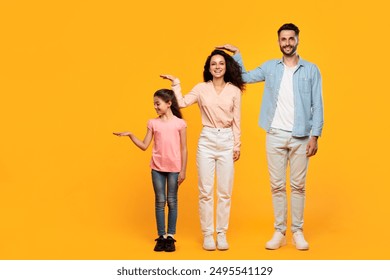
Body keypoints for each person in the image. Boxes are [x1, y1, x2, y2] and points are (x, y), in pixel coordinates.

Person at [217, 23, 324, 250]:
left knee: (298, 186)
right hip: (274, 134)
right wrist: (237, 54)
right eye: (283, 39)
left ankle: (297, 232)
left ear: (297, 40)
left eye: (291, 39)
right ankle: (279, 232)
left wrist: (315, 135)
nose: (287, 43)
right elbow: (244, 77)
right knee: (276, 186)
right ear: (278, 42)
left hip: (301, 136)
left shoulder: (311, 70)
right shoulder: (270, 68)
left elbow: (318, 104)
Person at [160, 49, 244, 251]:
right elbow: (181, 103)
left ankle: (221, 234)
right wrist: (176, 83)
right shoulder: (201, 88)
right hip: (206, 140)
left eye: (221, 63)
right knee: (205, 191)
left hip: (226, 139)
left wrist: (237, 144)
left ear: (226, 67)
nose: (217, 67)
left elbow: (237, 120)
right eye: (213, 64)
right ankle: (208, 234)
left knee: (225, 192)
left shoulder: (234, 91)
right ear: (208, 67)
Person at [113, 89, 187, 252]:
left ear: (168, 104)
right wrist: (131, 135)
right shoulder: (153, 123)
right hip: (157, 168)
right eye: (154, 103)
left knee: (172, 201)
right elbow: (145, 146)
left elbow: (184, 149)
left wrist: (183, 171)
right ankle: (161, 237)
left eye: (157, 103)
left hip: (174, 168)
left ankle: (170, 237)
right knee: (160, 201)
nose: (155, 107)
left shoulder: (180, 124)